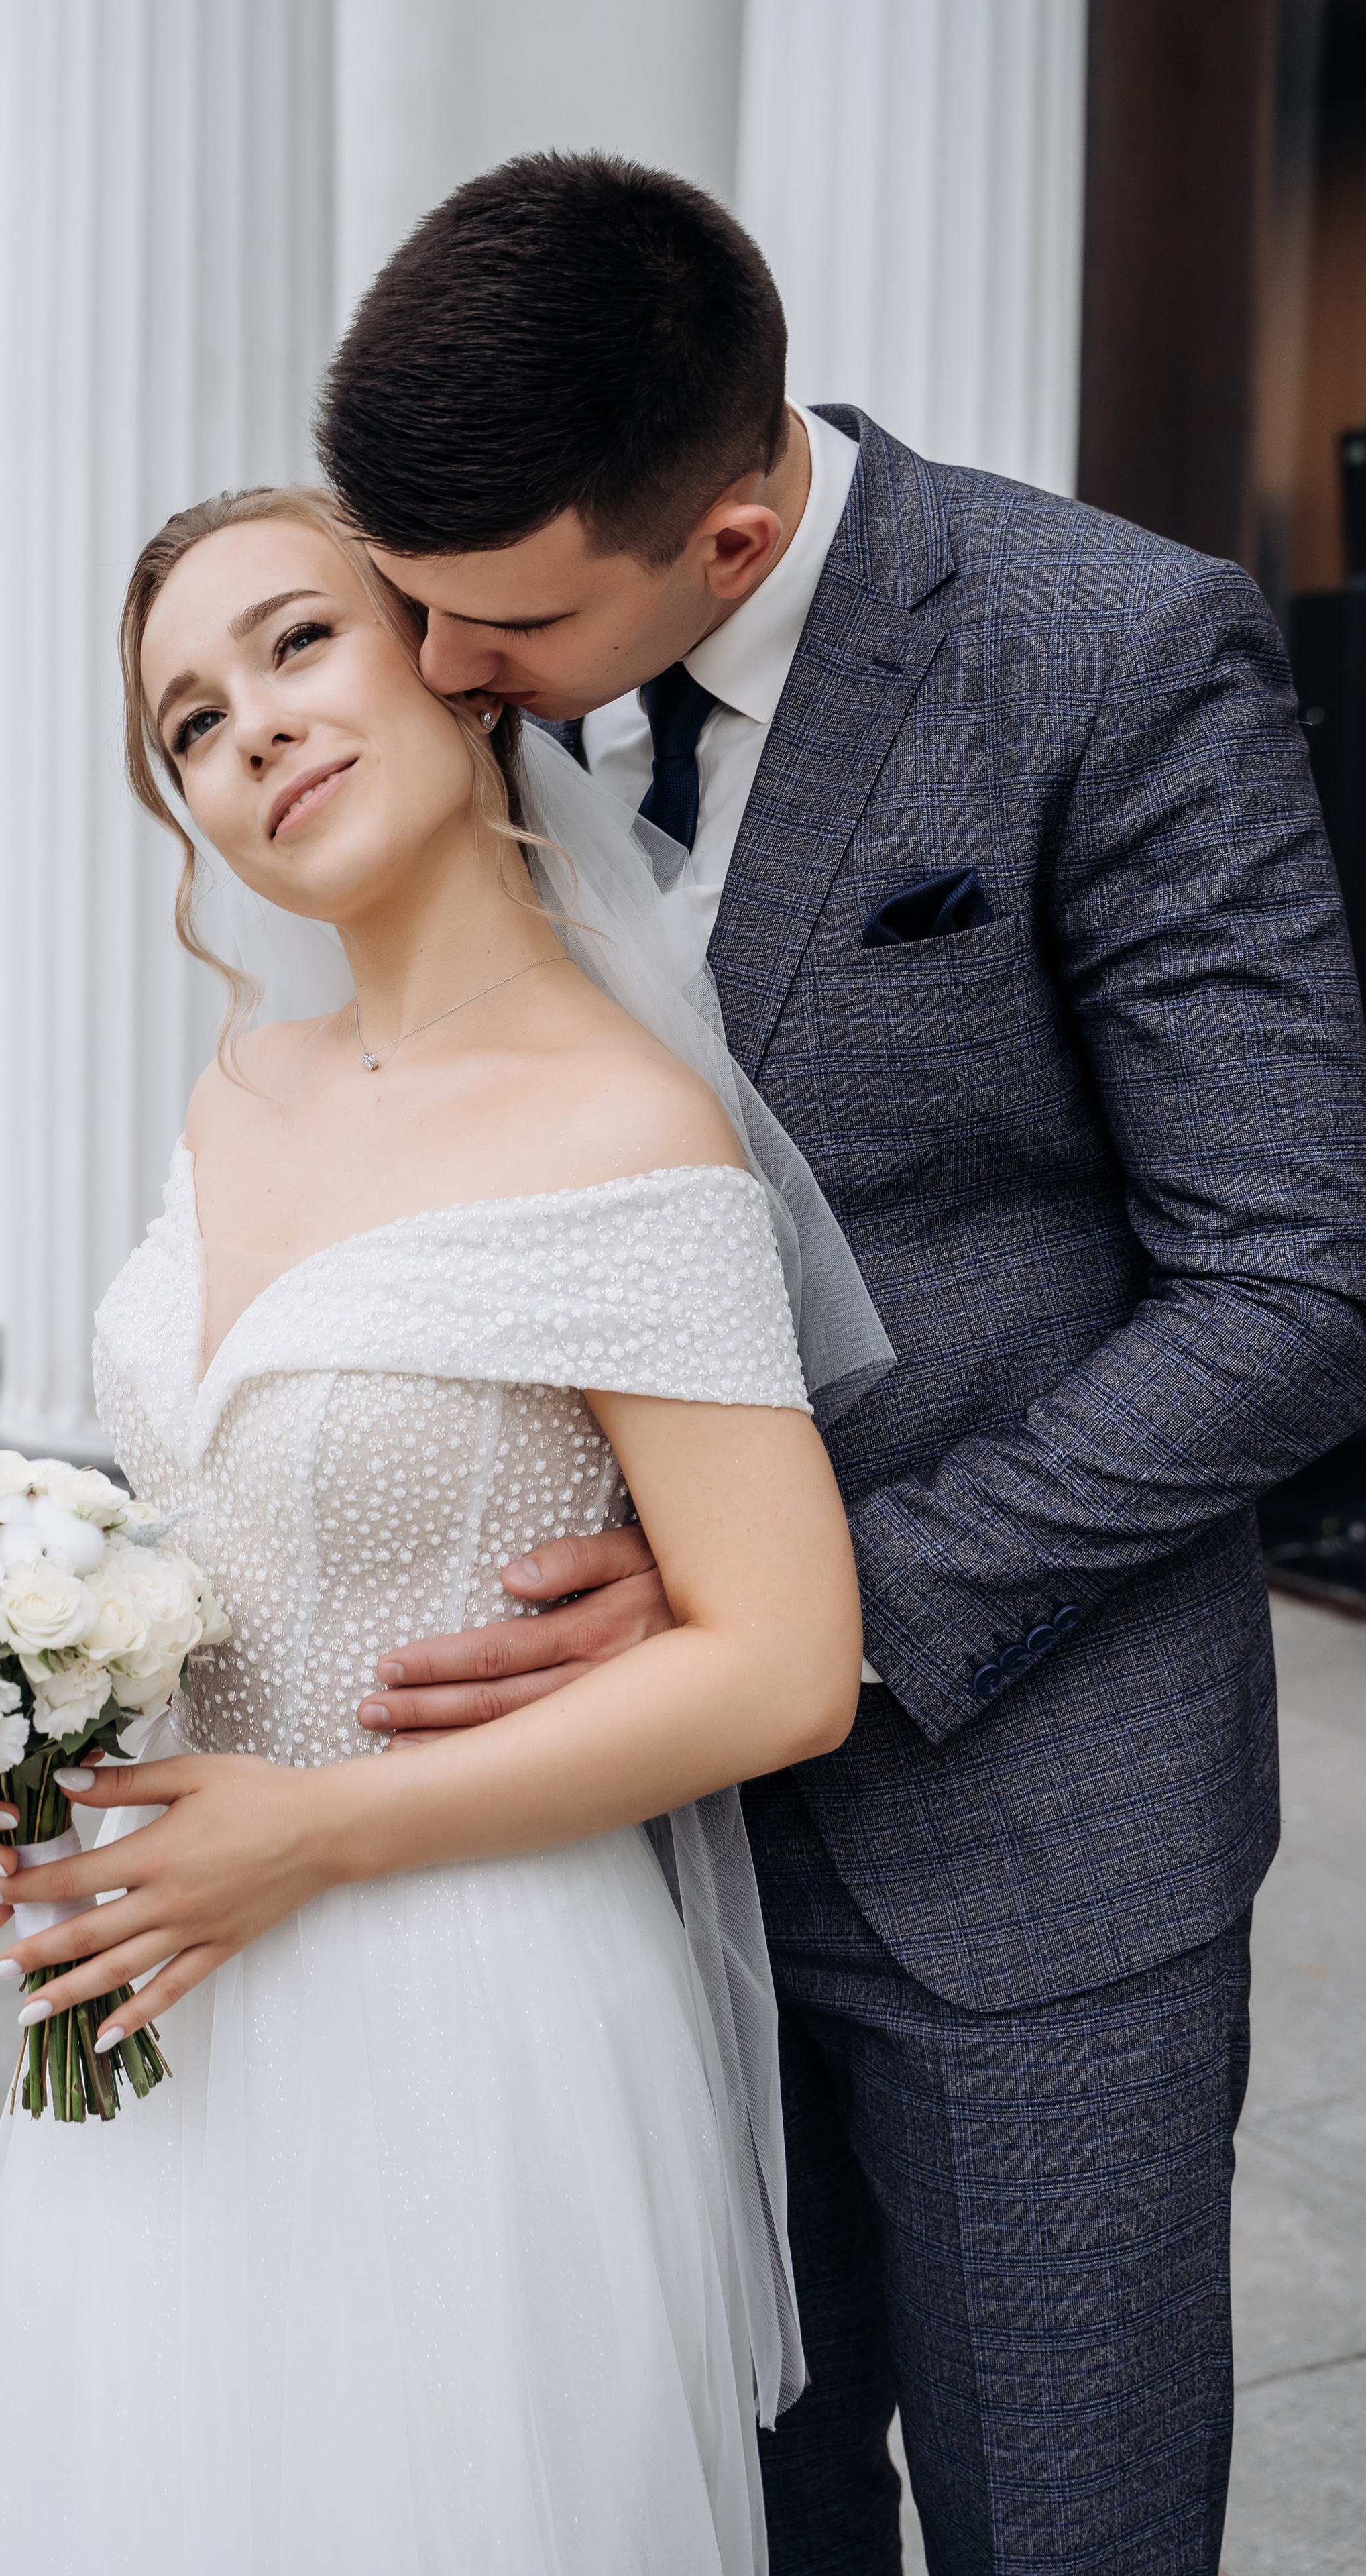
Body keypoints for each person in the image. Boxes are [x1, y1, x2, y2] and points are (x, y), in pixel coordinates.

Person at [304, 156, 1366, 2573]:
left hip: (1028, 1837)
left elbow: (1300, 1285)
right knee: (714, 2514)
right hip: (611, 1874)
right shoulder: (459, 672)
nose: (437, 678)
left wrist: (800, 1613)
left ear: (738, 537)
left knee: (1058, 2527)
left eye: (501, 622)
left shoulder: (1112, 649)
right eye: (411, 608)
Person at [0, 484, 884, 2576]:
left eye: (296, 645)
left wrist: (315, 1833)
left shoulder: (623, 1117)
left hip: (471, 1998)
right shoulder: (236, 1088)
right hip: (173, 1976)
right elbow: (206, 1516)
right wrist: (22, 1722)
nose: (244, 729)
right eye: (185, 723)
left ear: (445, 661)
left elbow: (782, 1666)